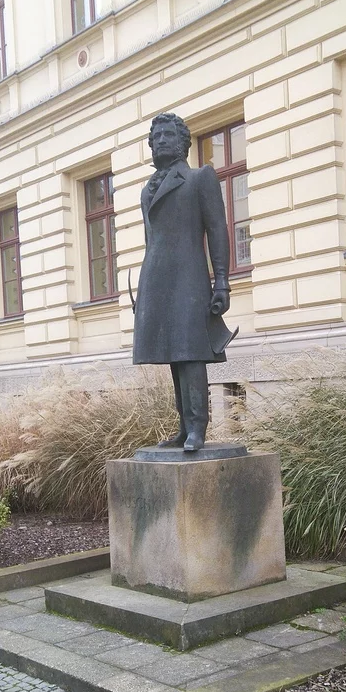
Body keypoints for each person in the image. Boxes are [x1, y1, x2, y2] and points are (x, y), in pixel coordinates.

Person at [132, 112, 236, 452]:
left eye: (167, 135)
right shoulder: (147, 189)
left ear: (183, 143)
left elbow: (218, 230)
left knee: (190, 353)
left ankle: (197, 427)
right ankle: (183, 426)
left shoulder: (199, 178)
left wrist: (222, 281)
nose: (159, 140)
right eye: (155, 136)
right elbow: (151, 241)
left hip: (189, 278)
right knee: (173, 353)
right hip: (157, 279)